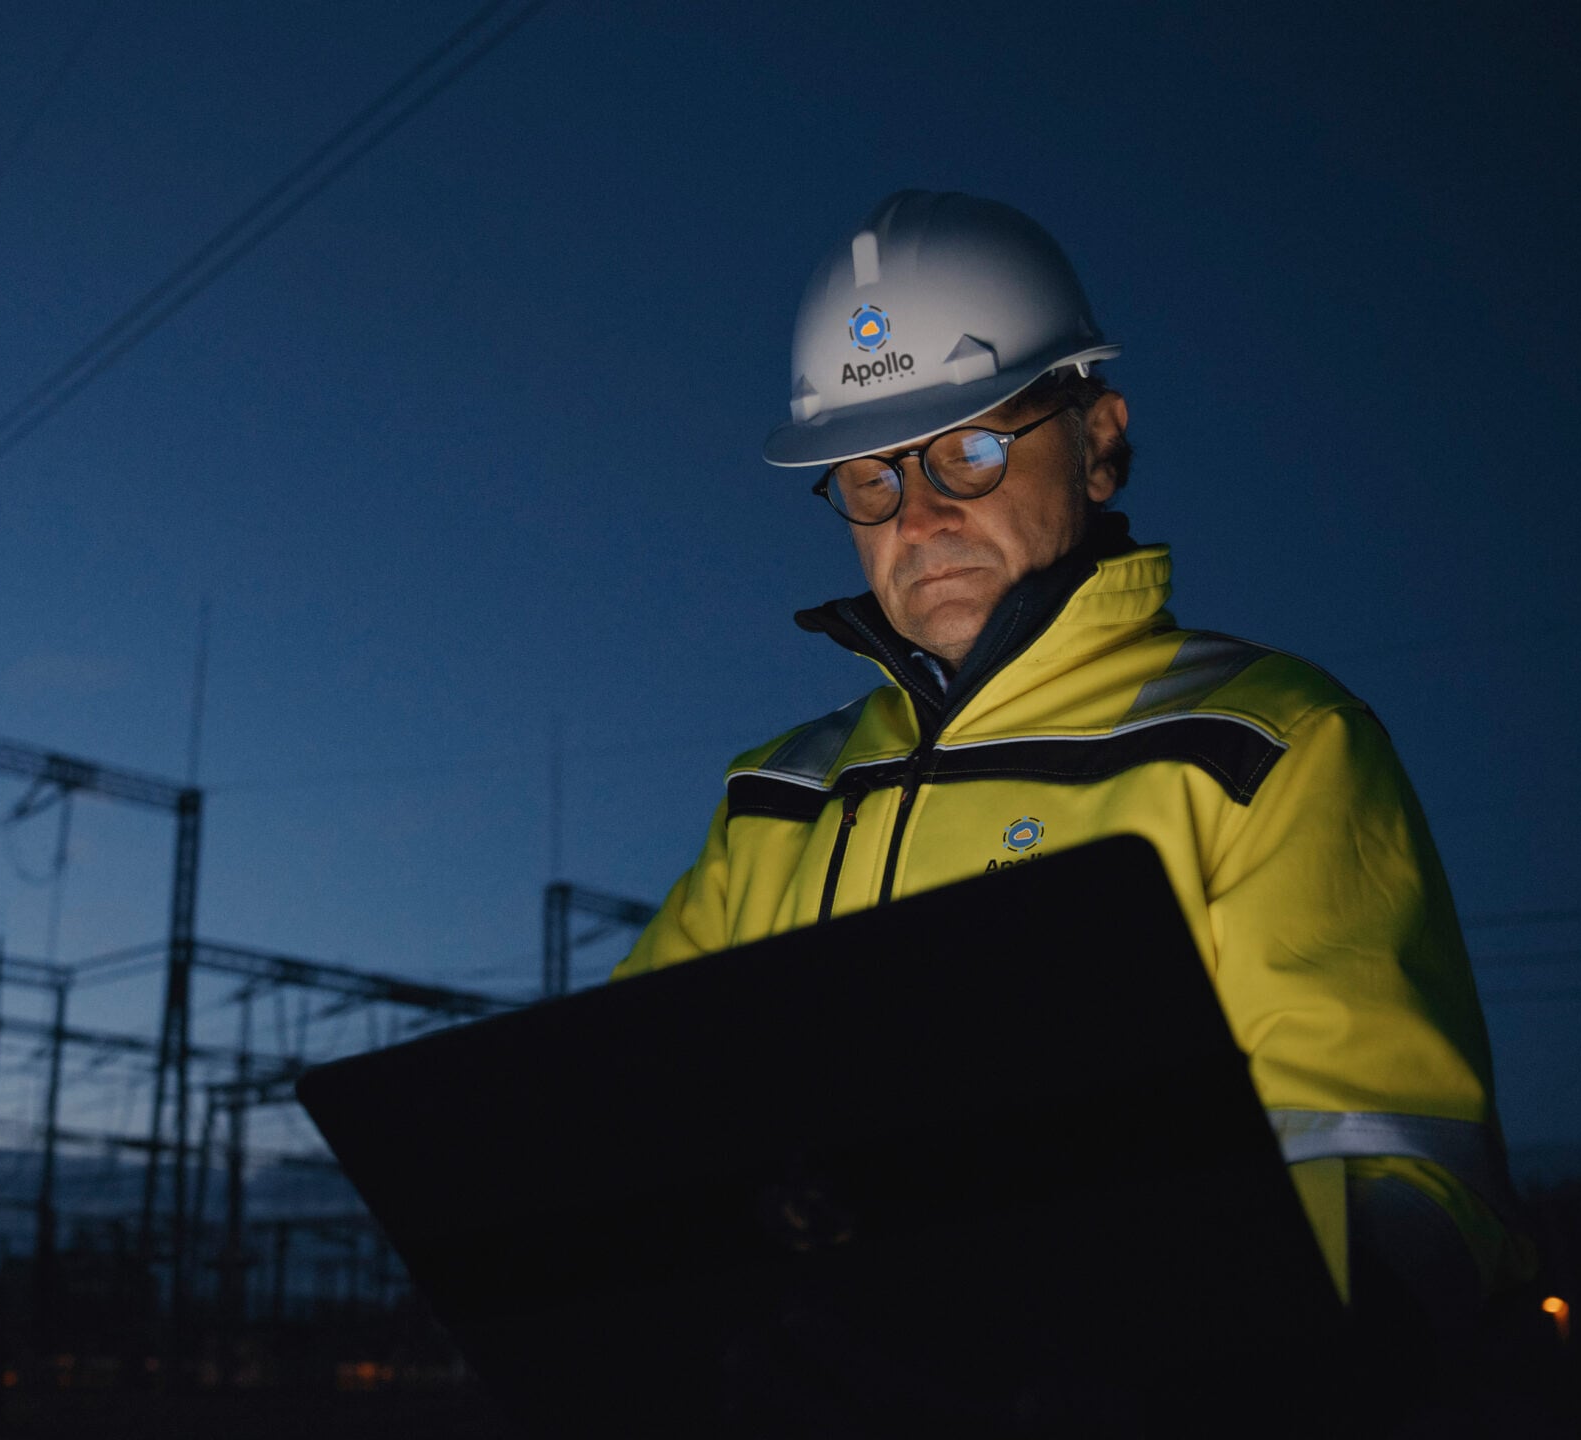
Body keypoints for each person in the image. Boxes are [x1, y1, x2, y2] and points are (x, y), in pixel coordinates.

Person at [612, 190, 1530, 1379]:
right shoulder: (777, 797)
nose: (922, 516)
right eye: (871, 478)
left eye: (968, 450)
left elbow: (1386, 1175)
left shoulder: (1260, 747)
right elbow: (626, 1132)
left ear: (1098, 440)